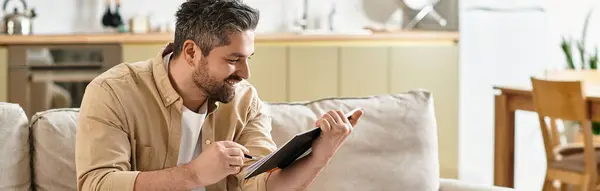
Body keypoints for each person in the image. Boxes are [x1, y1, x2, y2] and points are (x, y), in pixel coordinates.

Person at [75, 0, 363, 190]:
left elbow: (261, 184)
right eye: (233, 59)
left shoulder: (245, 101)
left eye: (249, 58)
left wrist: (320, 155)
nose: (246, 72)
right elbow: (96, 183)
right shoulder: (113, 92)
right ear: (191, 52)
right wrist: (193, 174)